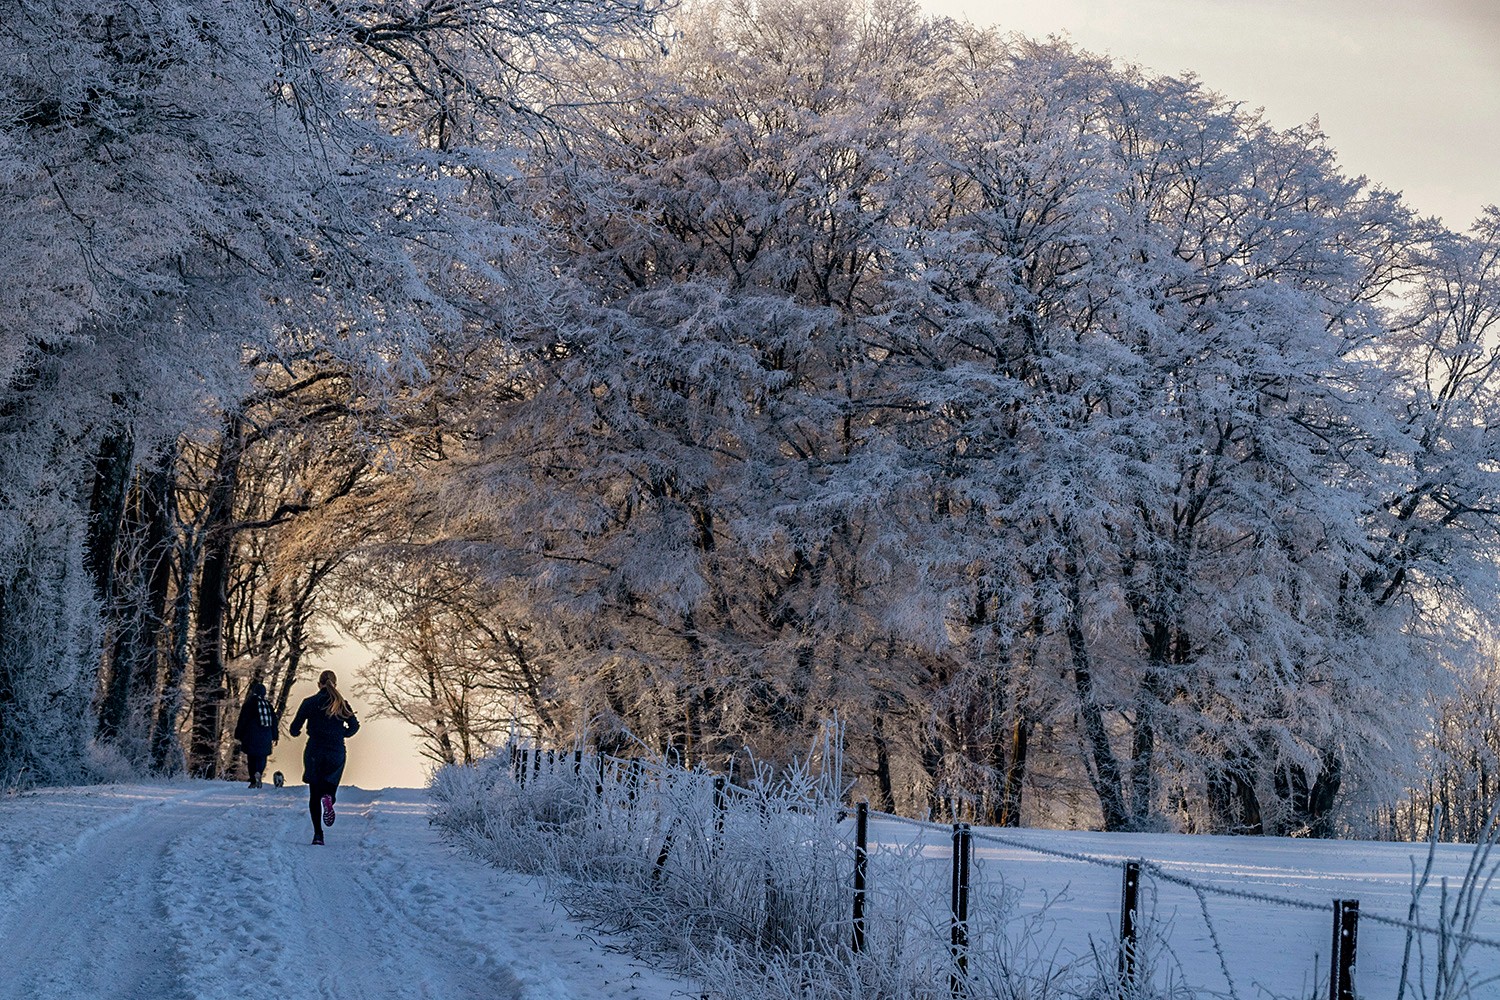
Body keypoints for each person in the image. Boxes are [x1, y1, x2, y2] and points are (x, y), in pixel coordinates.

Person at [289, 670, 360, 845]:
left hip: (315, 751)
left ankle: (318, 835)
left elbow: (294, 727)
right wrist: (340, 733)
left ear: (318, 684)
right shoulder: (341, 703)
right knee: (329, 787)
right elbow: (354, 726)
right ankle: (329, 798)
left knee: (314, 794)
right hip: (336, 751)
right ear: (335, 684)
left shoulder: (309, 703)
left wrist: (297, 732)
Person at [232, 681, 278, 789]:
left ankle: (253, 779)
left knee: (252, 758)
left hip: (251, 736)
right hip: (266, 736)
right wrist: (275, 736)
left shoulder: (249, 704)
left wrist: (238, 734)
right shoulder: (268, 706)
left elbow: (242, 720)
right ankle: (259, 773)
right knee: (262, 757)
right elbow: (274, 722)